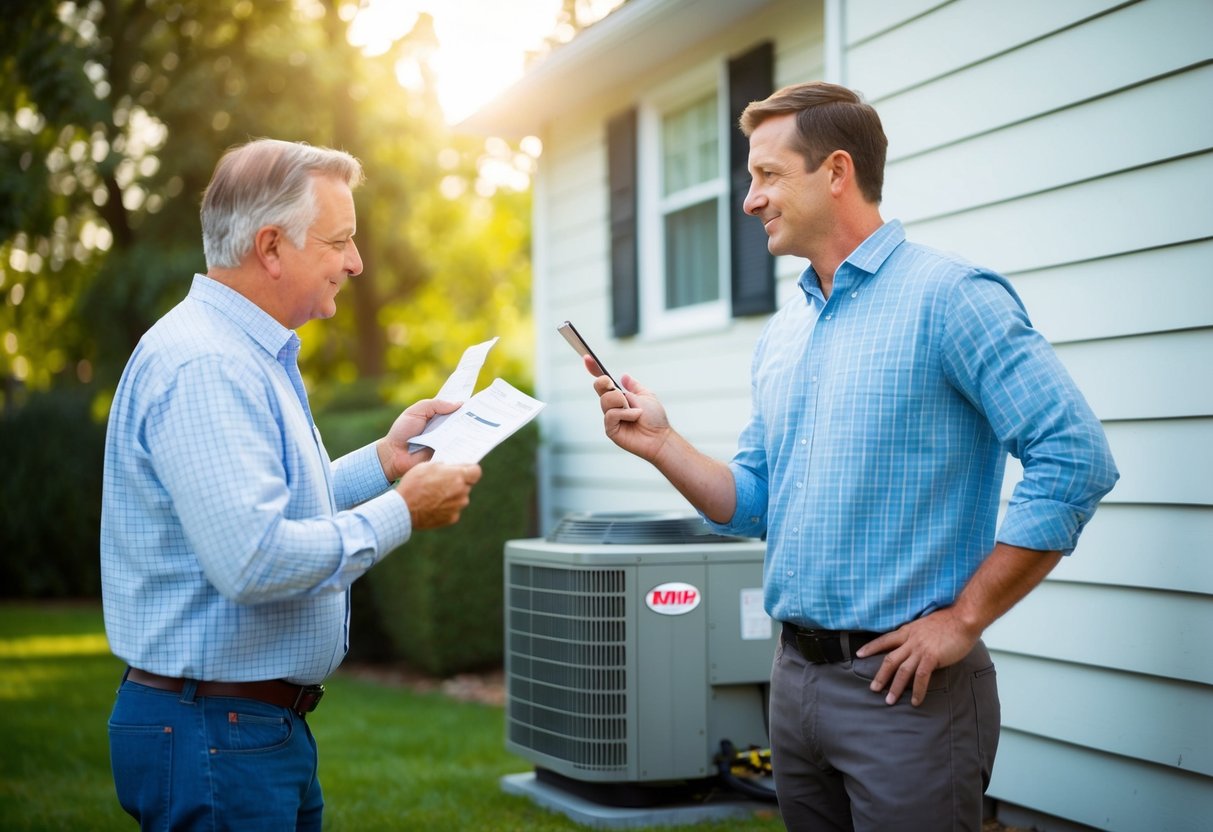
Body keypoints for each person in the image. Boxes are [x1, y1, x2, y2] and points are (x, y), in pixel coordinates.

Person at [588, 82, 1118, 831]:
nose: (749, 200)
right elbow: (753, 504)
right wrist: (661, 444)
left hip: (905, 694)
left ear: (835, 172)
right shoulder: (785, 331)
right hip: (794, 682)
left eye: (767, 175)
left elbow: (1073, 457)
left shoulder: (951, 298)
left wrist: (963, 620)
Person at [100, 138, 482, 830]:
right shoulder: (207, 366)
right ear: (271, 247)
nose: (356, 263)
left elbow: (266, 513)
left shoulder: (246, 352)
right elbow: (254, 558)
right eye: (339, 241)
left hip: (241, 726)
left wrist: (385, 462)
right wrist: (403, 511)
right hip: (215, 730)